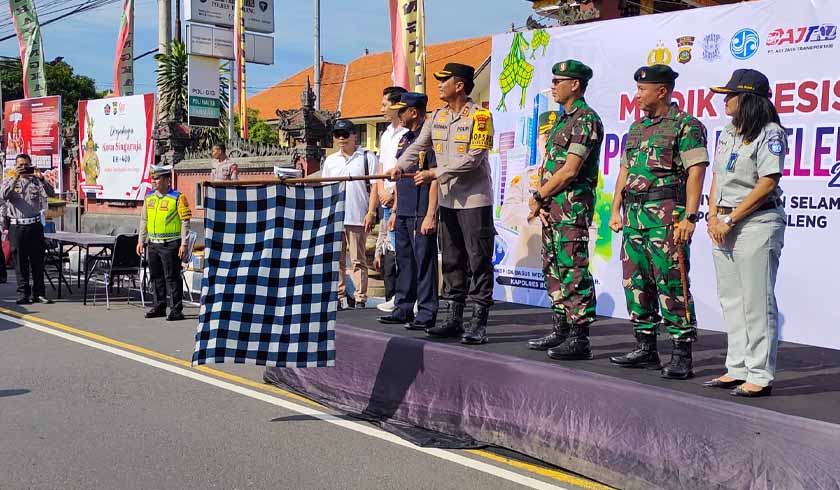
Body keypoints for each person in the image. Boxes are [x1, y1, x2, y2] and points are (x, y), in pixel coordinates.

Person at [607, 64, 709, 379]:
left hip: (666, 216)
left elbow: (696, 171)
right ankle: (645, 347)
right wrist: (614, 209)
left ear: (661, 91)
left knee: (671, 281)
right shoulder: (636, 129)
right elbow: (624, 171)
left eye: (642, 89)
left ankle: (681, 352)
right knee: (635, 281)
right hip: (634, 217)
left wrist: (689, 217)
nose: (637, 95)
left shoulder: (686, 125)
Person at [392, 62, 495, 345]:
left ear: (459, 85)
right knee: (451, 261)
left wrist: (434, 173)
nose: (438, 85)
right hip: (449, 202)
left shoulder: (481, 117)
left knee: (478, 261)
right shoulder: (436, 117)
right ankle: (453, 318)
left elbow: (473, 159)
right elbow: (418, 147)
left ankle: (478, 322)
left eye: (443, 80)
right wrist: (400, 166)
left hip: (474, 201)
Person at [703, 69, 786, 398]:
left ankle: (760, 374)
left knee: (756, 301)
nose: (725, 99)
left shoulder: (770, 133)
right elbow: (716, 177)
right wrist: (711, 216)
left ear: (748, 98)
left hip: (755, 224)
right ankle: (736, 367)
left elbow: (768, 182)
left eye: (731, 94)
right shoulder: (726, 132)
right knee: (731, 301)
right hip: (722, 223)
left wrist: (731, 218)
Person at [527, 60, 603, 361]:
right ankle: (560, 328)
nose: (553, 86)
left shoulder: (584, 119)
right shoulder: (562, 119)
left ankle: (579, 337)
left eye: (559, 81)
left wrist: (538, 196)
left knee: (573, 269)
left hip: (571, 208)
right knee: (553, 267)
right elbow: (551, 166)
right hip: (554, 208)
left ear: (575, 84)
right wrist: (544, 202)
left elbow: (570, 170)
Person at [378, 92, 439, 330]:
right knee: (404, 261)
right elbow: (399, 177)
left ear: (414, 112)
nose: (399, 114)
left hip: (421, 209)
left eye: (402, 110)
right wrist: (394, 210)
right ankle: (403, 307)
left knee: (424, 261)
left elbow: (435, 177)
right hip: (403, 208)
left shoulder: (430, 138)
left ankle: (426, 311)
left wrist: (430, 213)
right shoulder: (405, 138)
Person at [322, 119, 379, 310]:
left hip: (357, 214)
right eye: (337, 135)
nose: (341, 139)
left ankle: (360, 297)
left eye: (345, 134)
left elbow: (375, 186)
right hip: (335, 216)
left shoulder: (367, 157)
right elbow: (325, 188)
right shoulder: (330, 161)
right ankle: (339, 295)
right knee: (336, 260)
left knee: (358, 260)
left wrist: (371, 211)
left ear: (354, 135)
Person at [136, 165, 192, 321]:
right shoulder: (149, 197)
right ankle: (159, 306)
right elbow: (144, 220)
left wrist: (184, 244)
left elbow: (185, 221)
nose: (154, 181)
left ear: (167, 180)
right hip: (153, 243)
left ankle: (176, 310)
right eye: (153, 178)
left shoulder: (177, 197)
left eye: (157, 178)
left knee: (172, 277)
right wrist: (141, 240)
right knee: (156, 276)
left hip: (170, 244)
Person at [1, 154, 54, 304]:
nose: (23, 168)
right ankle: (23, 294)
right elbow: (3, 195)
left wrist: (42, 178)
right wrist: (15, 178)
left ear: (31, 164)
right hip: (17, 226)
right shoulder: (9, 181)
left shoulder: (36, 181)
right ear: (15, 167)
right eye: (20, 165)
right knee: (20, 262)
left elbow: (51, 193)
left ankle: (39, 293)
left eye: (26, 165)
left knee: (37, 262)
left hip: (35, 226)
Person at [375, 86, 408, 313]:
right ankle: (396, 295)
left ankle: (409, 297)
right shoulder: (386, 134)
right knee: (392, 249)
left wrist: (393, 194)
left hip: (402, 197)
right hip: (385, 198)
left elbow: (406, 168)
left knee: (405, 249)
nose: (382, 109)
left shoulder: (407, 134)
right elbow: (381, 166)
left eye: (385, 104)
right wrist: (380, 191)